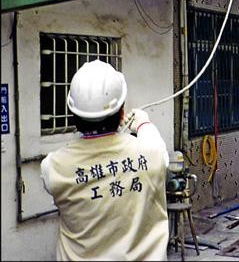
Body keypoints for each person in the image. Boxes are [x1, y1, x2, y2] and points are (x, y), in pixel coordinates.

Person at [40, 60, 169, 261]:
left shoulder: (53, 166)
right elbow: (159, 150)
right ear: (122, 112)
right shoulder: (152, 154)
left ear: (74, 115)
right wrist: (143, 122)